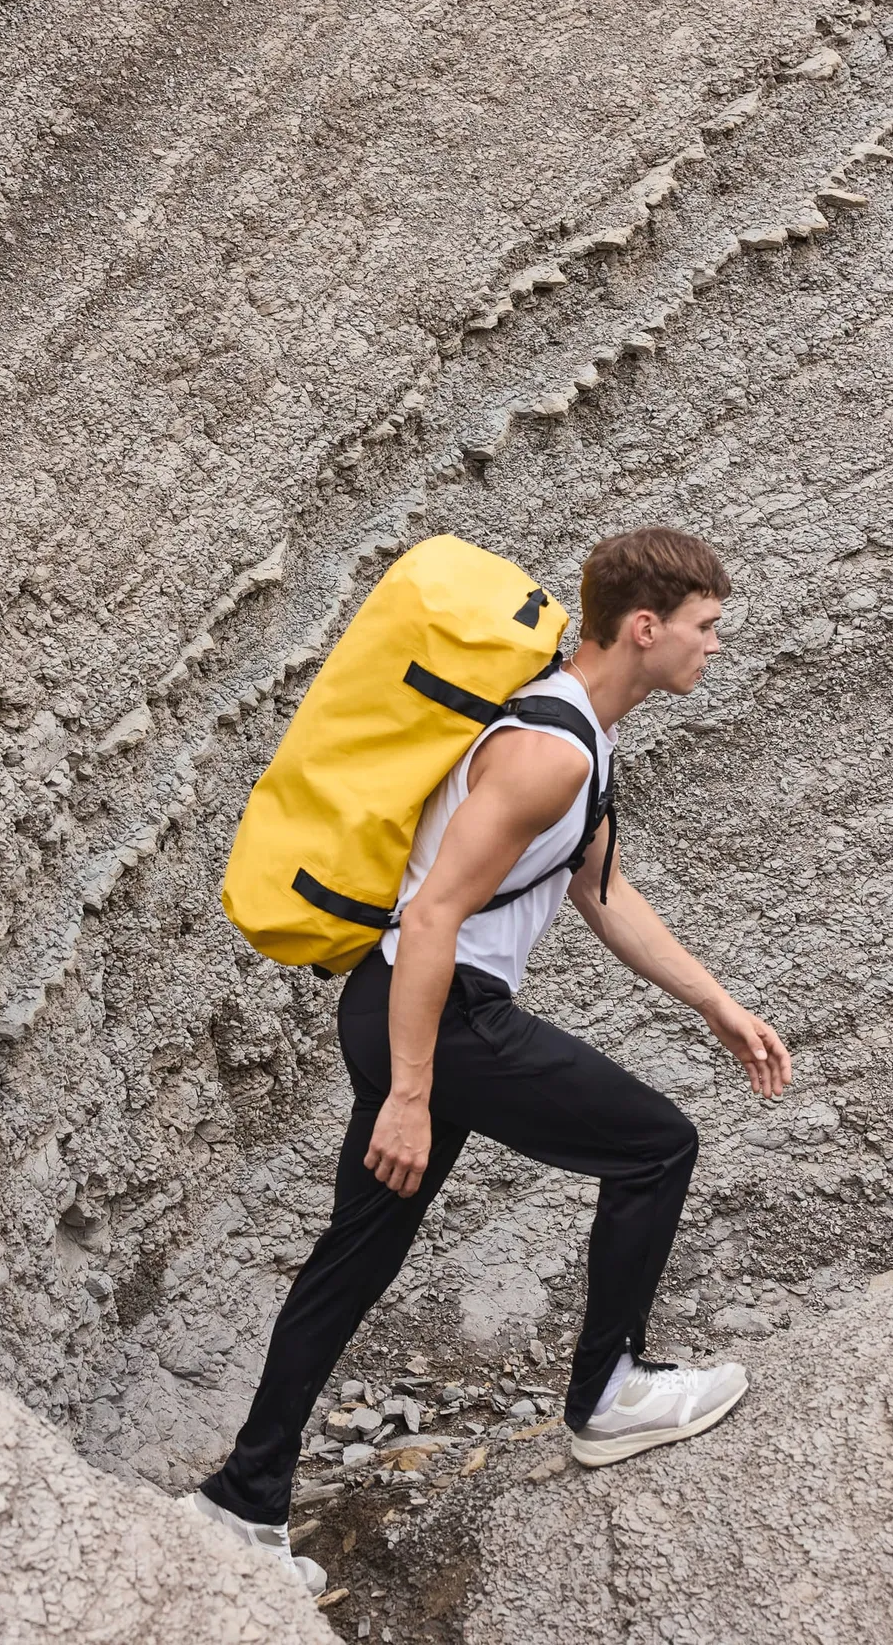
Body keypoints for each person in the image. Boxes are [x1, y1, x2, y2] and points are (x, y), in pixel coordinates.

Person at [194, 527, 793, 1589]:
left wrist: (719, 1005)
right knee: (656, 1145)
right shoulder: (548, 751)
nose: (715, 645)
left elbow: (602, 892)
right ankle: (608, 1394)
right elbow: (430, 919)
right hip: (438, 1014)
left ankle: (243, 1501)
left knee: (357, 1255)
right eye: (705, 627)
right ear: (645, 629)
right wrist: (414, 1093)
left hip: (412, 1012)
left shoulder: (587, 744)